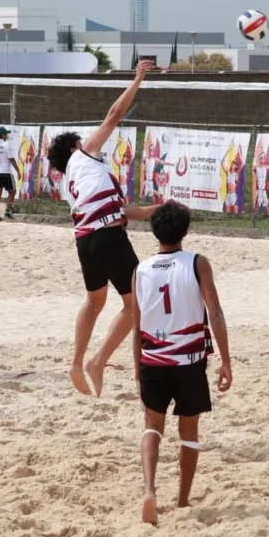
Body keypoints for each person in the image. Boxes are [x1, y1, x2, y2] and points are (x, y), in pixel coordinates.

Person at [47, 60, 160, 397]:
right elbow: (113, 115)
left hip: (86, 240)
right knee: (135, 304)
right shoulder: (84, 156)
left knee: (94, 301)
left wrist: (160, 210)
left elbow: (125, 210)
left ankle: (76, 360)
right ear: (74, 148)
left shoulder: (71, 184)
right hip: (108, 237)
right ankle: (97, 362)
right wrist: (137, 79)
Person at [133, 202, 232, 524]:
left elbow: (138, 325)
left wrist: (137, 368)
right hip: (189, 360)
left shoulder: (141, 270)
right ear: (186, 231)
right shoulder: (197, 262)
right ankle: (183, 499)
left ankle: (149, 489)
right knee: (189, 431)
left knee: (152, 427)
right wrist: (226, 360)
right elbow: (215, 313)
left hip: (153, 358)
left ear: (154, 231)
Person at [0, 126, 21, 221]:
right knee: (12, 192)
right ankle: (7, 212)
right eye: (6, 134)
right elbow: (11, 159)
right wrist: (18, 171)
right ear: (2, 135)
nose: (7, 136)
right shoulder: (6, 145)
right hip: (5, 172)